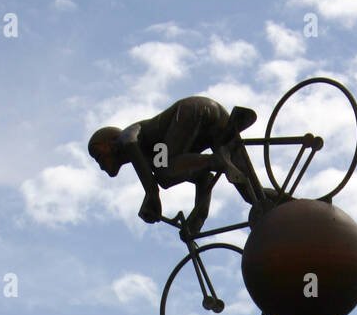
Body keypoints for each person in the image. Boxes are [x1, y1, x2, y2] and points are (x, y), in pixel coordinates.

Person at [88, 96, 267, 237]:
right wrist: (196, 221)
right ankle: (289, 204)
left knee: (164, 173)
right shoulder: (155, 154)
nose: (101, 165)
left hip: (192, 111)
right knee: (254, 195)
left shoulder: (127, 136)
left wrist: (152, 194)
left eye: (98, 155)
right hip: (214, 118)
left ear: (110, 142)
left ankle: (218, 161)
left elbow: (145, 164)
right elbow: (203, 177)